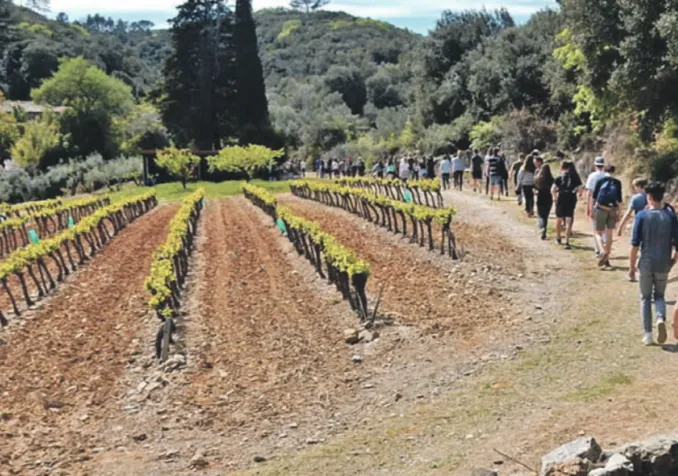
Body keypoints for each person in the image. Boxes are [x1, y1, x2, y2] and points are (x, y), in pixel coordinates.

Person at [630, 182, 678, 346]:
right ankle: (660, 318)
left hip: (646, 262)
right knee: (659, 295)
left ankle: (648, 335)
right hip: (663, 262)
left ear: (648, 197)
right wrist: (673, 260)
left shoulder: (642, 216)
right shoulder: (670, 216)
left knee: (645, 298)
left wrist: (631, 267)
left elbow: (635, 244)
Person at [592, 165, 623, 267]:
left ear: (605, 170)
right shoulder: (617, 183)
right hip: (612, 209)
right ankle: (607, 258)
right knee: (609, 233)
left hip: (601, 208)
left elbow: (594, 197)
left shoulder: (600, 181)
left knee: (598, 233)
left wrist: (592, 210)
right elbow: (619, 200)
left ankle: (602, 251)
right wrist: (619, 213)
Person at [552, 160, 579, 249]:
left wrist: (555, 198)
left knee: (559, 219)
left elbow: (553, 190)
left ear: (562, 168)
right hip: (570, 199)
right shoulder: (575, 177)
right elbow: (580, 189)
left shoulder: (559, 178)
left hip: (561, 198)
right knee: (568, 220)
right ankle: (567, 241)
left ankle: (558, 238)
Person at [586, 156, 609, 257]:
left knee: (596, 228)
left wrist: (588, 208)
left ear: (595, 165)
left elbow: (589, 193)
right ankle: (604, 246)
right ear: (604, 165)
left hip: (596, 204)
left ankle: (598, 250)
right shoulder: (608, 175)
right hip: (607, 205)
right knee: (604, 228)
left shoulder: (592, 176)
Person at [534, 164, 554, 240]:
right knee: (546, 215)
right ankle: (544, 228)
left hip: (540, 197)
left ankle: (542, 228)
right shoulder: (552, 179)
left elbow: (534, 188)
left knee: (540, 214)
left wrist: (536, 191)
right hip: (549, 198)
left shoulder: (538, 179)